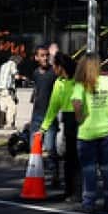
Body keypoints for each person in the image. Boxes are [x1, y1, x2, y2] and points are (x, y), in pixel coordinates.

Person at [71, 54, 108, 212]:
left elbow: (76, 102)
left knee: (89, 169)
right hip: (106, 129)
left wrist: (79, 117)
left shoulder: (81, 84)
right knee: (107, 167)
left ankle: (89, 201)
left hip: (87, 131)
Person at [38, 53, 79, 200]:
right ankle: (70, 190)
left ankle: (79, 191)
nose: (53, 68)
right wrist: (43, 128)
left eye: (54, 65)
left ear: (60, 67)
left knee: (78, 158)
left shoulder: (78, 80)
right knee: (69, 158)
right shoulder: (59, 82)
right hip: (68, 119)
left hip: (81, 119)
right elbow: (53, 107)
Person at [29, 46, 57, 166]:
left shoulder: (54, 72)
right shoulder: (35, 73)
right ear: (36, 57)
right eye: (42, 55)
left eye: (47, 55)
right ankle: (36, 171)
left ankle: (54, 173)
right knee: (34, 147)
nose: (45, 58)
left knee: (50, 148)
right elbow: (37, 90)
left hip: (50, 115)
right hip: (37, 115)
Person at [0, 54, 22, 129]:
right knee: (12, 107)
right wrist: (22, 77)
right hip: (8, 89)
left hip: (1, 89)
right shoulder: (12, 64)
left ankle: (0, 124)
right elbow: (16, 76)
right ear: (16, 60)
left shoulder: (3, 65)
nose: (19, 63)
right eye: (19, 62)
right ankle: (9, 124)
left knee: (2, 107)